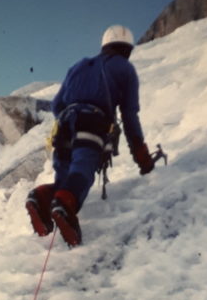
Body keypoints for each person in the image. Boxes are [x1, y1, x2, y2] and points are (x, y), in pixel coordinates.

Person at [26, 25, 155, 246]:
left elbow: (57, 104)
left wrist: (73, 115)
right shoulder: (124, 68)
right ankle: (65, 206)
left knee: (65, 178)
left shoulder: (79, 66)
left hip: (64, 125)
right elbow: (129, 114)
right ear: (128, 48)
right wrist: (142, 156)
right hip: (93, 123)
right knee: (82, 171)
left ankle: (41, 197)